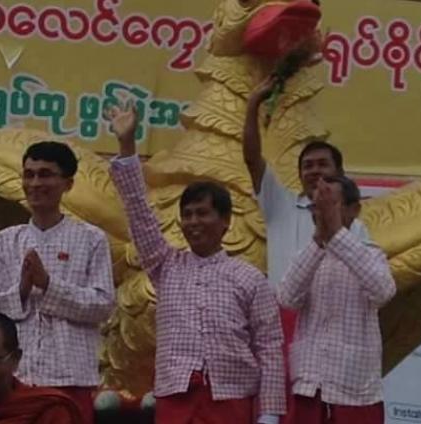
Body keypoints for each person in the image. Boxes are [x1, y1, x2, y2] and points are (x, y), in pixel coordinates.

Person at [106, 102, 286, 424]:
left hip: (231, 399)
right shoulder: (165, 265)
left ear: (226, 221)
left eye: (202, 213)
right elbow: (137, 210)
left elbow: (270, 347)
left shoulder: (250, 278)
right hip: (176, 398)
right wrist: (127, 144)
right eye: (187, 215)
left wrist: (270, 413)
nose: (193, 222)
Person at [0, 141, 116, 422]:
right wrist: (22, 290)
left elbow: (103, 305)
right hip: (13, 380)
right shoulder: (3, 241)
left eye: (46, 174)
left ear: (68, 184)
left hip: (70, 380)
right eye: (29, 174)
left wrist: (49, 285)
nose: (35, 182)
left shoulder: (91, 239)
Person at [277, 176, 396, 424]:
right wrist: (320, 240)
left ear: (354, 210)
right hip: (309, 385)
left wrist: (336, 235)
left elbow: (383, 291)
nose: (322, 212)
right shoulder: (307, 254)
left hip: (354, 390)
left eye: (331, 204)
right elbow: (287, 298)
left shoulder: (370, 253)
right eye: (316, 206)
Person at [242, 78, 371, 287]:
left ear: (339, 172)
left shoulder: (354, 224)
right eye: (308, 166)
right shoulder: (280, 205)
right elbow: (252, 159)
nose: (314, 171)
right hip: (282, 314)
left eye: (322, 164)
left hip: (328, 317)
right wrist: (253, 103)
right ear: (300, 175)